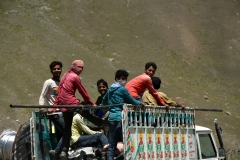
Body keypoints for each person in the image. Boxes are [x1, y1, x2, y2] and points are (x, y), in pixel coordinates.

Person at [54, 60, 95, 159]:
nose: (80, 70)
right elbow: (83, 91)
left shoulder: (65, 76)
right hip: (71, 103)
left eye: (82, 68)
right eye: (79, 67)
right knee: (86, 112)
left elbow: (59, 94)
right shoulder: (75, 77)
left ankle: (64, 151)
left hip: (63, 105)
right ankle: (101, 123)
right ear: (74, 67)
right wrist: (91, 103)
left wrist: (55, 107)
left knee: (67, 128)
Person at [101, 69, 145, 160]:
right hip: (121, 118)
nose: (124, 81)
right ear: (117, 78)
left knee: (111, 143)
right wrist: (140, 103)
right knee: (127, 140)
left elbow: (104, 101)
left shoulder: (110, 89)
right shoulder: (122, 89)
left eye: (125, 79)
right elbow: (131, 100)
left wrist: (108, 105)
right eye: (122, 78)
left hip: (111, 118)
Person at [39, 61, 64, 142]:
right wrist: (42, 107)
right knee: (66, 131)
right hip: (54, 113)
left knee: (60, 134)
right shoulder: (48, 82)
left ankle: (60, 152)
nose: (57, 70)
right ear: (51, 71)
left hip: (63, 112)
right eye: (54, 69)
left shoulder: (62, 82)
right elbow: (43, 95)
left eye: (58, 69)